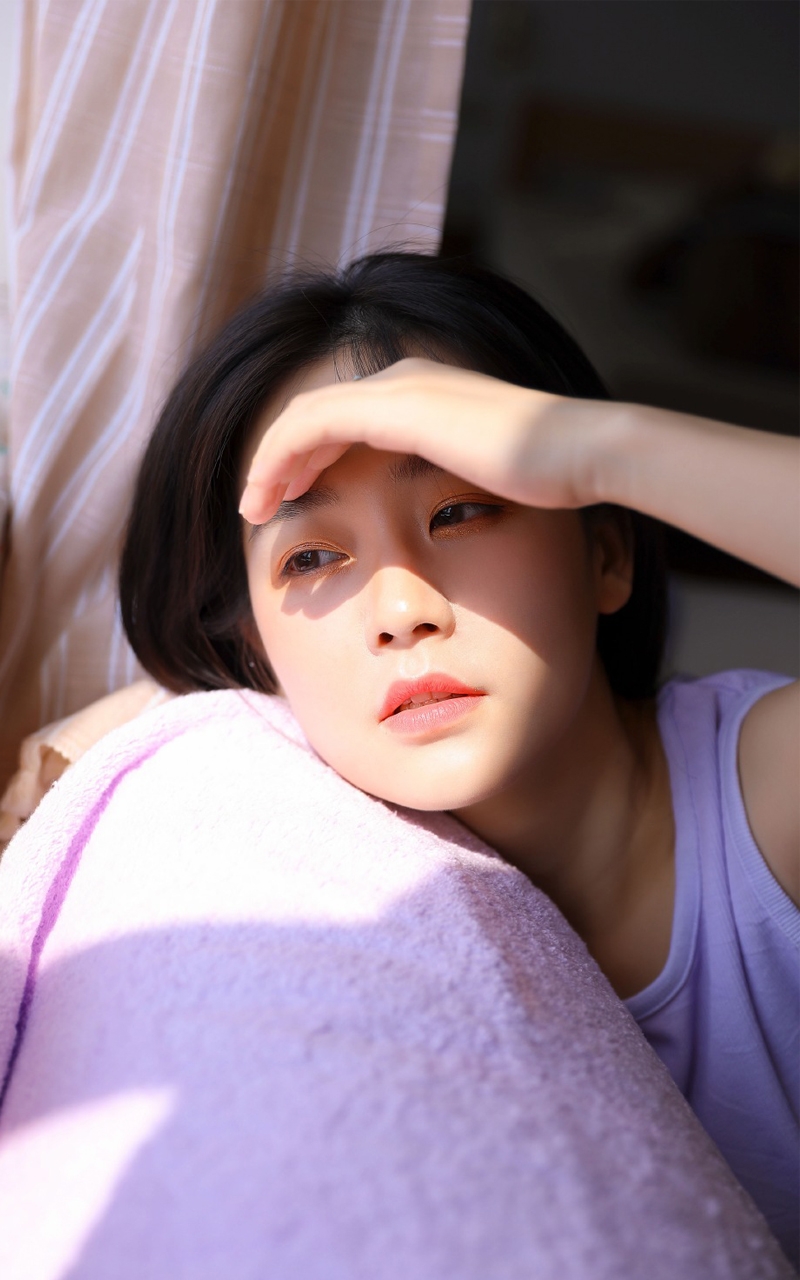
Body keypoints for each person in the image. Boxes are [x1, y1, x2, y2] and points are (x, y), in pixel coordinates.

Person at [120, 252, 799, 1264]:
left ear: (605, 551)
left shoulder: (765, 797)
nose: (402, 609)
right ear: (253, 651)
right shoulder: (244, 849)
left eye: (461, 509)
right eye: (312, 557)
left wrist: (591, 443)